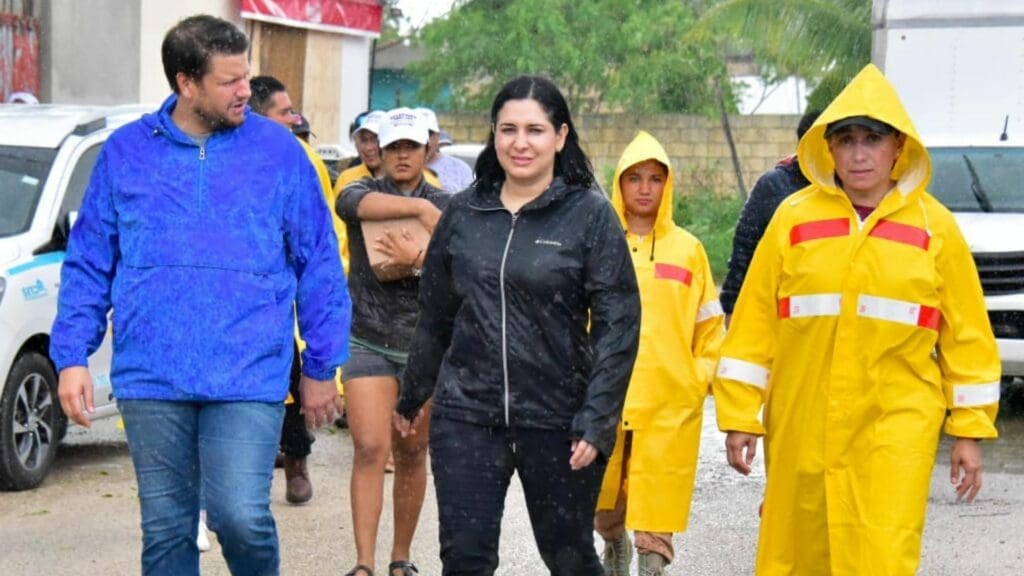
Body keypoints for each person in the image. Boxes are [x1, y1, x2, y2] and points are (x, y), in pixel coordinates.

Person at [49, 15, 350, 575]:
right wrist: (71, 357)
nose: (245, 91)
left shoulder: (279, 153)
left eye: (246, 76)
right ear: (186, 83)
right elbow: (89, 261)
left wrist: (320, 364)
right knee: (167, 531)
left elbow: (318, 262)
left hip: (248, 372)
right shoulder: (125, 153)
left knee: (240, 516)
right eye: (229, 81)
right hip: (152, 374)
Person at [713, 63, 1000, 575]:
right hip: (802, 421)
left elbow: (968, 339)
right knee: (799, 554)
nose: (859, 154)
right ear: (829, 149)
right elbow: (754, 323)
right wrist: (739, 415)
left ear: (898, 148)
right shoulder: (794, 219)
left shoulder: (935, 229)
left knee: (882, 553)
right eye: (846, 140)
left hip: (895, 425)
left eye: (873, 139)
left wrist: (969, 432)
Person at [395, 75, 641, 576]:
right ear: (494, 135)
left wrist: (597, 418)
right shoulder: (463, 213)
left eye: (535, 130)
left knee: (569, 558)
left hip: (558, 418)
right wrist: (413, 392)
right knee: (464, 559)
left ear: (561, 136)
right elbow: (436, 315)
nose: (520, 143)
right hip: (467, 415)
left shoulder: (589, 216)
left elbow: (618, 326)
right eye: (508, 129)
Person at [594, 131, 725, 576]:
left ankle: (652, 564)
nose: (645, 188)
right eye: (634, 178)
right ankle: (614, 546)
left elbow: (710, 326)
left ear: (667, 185)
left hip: (669, 399)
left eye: (655, 178)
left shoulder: (688, 250)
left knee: (658, 500)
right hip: (608, 396)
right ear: (620, 184)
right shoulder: (600, 244)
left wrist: (697, 377)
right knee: (604, 495)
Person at [335, 107, 451, 576]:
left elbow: (459, 266)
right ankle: (363, 562)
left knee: (412, 451)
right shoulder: (358, 191)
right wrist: (420, 212)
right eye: (393, 147)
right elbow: (354, 208)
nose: (402, 155)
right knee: (369, 446)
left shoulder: (451, 203)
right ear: (379, 152)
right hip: (368, 338)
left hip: (425, 345)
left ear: (428, 149)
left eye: (411, 146)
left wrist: (418, 259)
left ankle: (400, 557)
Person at [249, 74, 348, 504]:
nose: (294, 119)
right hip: (235, 309)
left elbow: (322, 235)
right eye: (285, 112)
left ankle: (296, 461)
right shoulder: (220, 156)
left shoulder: (300, 158)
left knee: (291, 383)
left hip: (283, 301)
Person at [720, 108, 820, 323]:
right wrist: (732, 305)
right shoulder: (775, 186)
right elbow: (745, 246)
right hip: (775, 312)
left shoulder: (844, 189)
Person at [416, 106, 474, 193]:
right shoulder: (400, 171)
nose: (425, 141)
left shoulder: (460, 169)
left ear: (437, 135)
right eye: (418, 134)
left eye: (429, 134)